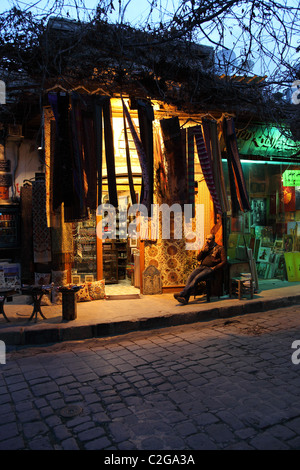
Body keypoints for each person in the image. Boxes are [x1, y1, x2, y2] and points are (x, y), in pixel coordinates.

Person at [174, 233, 226, 305]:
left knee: (197, 278)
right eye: (206, 239)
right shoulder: (206, 248)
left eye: (209, 239)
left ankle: (182, 293)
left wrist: (214, 268)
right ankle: (185, 298)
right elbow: (198, 258)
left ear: (214, 240)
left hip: (210, 269)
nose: (207, 241)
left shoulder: (220, 248)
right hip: (201, 267)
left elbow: (224, 262)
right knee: (190, 277)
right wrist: (202, 251)